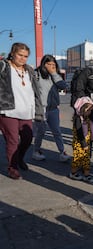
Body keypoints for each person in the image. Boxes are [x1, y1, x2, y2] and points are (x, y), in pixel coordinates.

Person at [0, 42, 44, 180]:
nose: (23, 58)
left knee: (27, 138)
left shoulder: (29, 70)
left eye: (25, 56)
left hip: (26, 110)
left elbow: (35, 90)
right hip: (8, 110)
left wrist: (37, 108)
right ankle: (12, 167)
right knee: (12, 140)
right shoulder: (3, 67)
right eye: (20, 55)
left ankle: (18, 158)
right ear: (12, 53)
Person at [32, 54, 71, 162]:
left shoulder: (54, 75)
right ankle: (36, 151)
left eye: (53, 64)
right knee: (41, 131)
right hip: (41, 108)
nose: (50, 66)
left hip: (53, 108)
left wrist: (54, 73)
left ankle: (62, 152)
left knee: (57, 131)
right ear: (43, 64)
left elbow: (63, 86)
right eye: (48, 64)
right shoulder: (36, 74)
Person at [69, 96, 93, 183]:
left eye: (90, 110)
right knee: (78, 158)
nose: (89, 112)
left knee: (86, 159)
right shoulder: (78, 119)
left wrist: (91, 139)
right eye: (87, 110)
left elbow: (90, 129)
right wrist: (84, 144)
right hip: (79, 143)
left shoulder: (88, 118)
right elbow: (80, 133)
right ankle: (73, 173)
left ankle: (86, 175)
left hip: (86, 142)